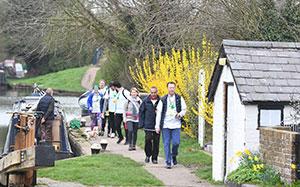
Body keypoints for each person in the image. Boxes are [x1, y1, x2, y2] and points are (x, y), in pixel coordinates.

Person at [155, 82, 187, 169]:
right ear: (167, 88)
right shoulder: (163, 99)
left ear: (175, 88)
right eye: (170, 87)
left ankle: (174, 155)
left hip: (176, 124)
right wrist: (157, 126)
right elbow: (159, 113)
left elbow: (184, 109)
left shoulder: (179, 98)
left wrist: (180, 114)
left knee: (176, 143)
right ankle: (168, 162)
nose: (171, 89)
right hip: (165, 125)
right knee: (166, 143)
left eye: (173, 87)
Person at [139, 86, 160, 164]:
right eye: (152, 92)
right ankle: (148, 155)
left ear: (157, 92)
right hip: (148, 124)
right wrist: (141, 124)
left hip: (157, 125)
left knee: (156, 141)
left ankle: (155, 158)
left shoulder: (160, 101)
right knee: (148, 140)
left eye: (155, 92)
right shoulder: (145, 101)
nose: (153, 94)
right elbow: (141, 112)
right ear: (150, 92)